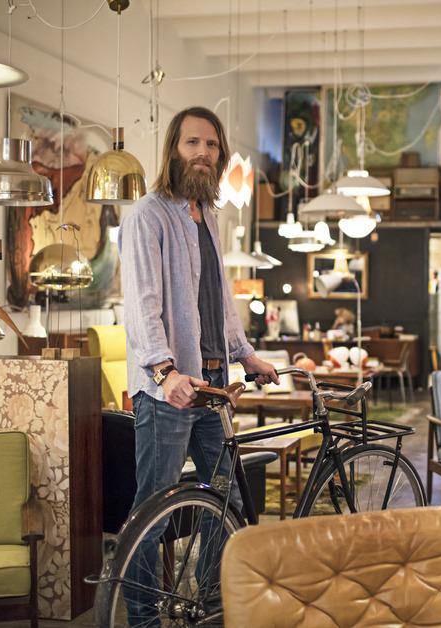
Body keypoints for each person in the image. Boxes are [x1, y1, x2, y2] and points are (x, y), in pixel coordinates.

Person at [118, 106, 278, 624]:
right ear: (173, 150)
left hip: (214, 381)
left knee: (225, 494)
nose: (204, 153)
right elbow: (143, 304)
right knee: (154, 511)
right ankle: (142, 617)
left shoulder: (208, 216)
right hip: (170, 387)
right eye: (193, 143)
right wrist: (164, 374)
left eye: (211, 145)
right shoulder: (148, 215)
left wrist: (246, 354)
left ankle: (206, 600)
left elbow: (219, 301)